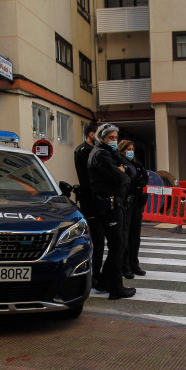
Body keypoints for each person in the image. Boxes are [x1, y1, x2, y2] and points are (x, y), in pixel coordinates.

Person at [88, 123, 135, 300]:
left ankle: (106, 282)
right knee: (117, 245)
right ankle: (116, 287)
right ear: (102, 138)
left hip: (116, 204)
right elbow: (121, 177)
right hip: (109, 205)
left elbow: (129, 169)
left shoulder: (109, 153)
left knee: (118, 244)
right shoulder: (100, 155)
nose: (114, 141)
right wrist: (123, 172)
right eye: (111, 138)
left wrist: (125, 170)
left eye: (116, 138)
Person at [73, 121, 105, 288]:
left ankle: (95, 274)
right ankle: (94, 276)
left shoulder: (88, 150)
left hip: (93, 199)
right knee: (97, 238)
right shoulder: (85, 151)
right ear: (92, 135)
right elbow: (91, 177)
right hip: (91, 200)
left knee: (99, 239)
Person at [118, 140, 148, 280]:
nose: (131, 151)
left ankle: (134, 264)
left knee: (135, 236)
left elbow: (144, 179)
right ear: (122, 150)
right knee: (126, 235)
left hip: (137, 201)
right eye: (128, 149)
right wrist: (136, 178)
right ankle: (125, 267)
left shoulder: (135, 163)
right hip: (127, 202)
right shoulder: (120, 162)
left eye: (132, 148)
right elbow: (132, 179)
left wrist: (137, 177)